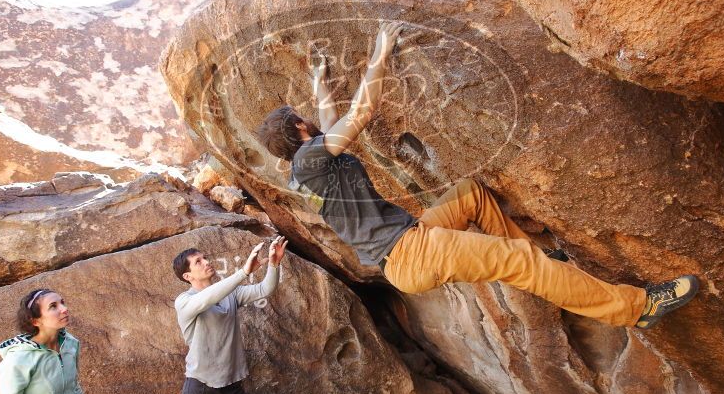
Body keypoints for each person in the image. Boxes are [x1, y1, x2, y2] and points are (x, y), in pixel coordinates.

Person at [256, 21, 698, 329]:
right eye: (301, 119)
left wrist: (319, 79)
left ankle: (553, 268)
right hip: (413, 252)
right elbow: (360, 112)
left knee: (471, 194)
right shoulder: (311, 159)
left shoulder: (302, 170)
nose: (309, 120)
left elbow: (326, 120)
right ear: (299, 132)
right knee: (522, 264)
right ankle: (636, 308)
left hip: (408, 244)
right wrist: (380, 52)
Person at [172, 235, 288, 394]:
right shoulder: (184, 302)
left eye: (204, 257)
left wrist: (274, 265)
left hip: (232, 390)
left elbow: (265, 289)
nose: (206, 262)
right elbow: (206, 299)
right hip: (200, 390)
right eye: (198, 261)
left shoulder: (229, 295)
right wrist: (243, 272)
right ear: (187, 276)